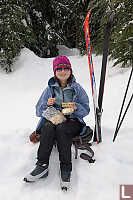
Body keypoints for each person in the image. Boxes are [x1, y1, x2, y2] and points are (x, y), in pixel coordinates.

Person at [24, 56, 90, 189]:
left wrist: (76, 107)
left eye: (66, 68)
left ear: (70, 70)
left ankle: (66, 168)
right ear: (55, 72)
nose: (63, 71)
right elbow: (38, 111)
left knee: (62, 128)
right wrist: (47, 105)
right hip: (55, 118)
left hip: (73, 120)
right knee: (47, 127)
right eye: (59, 69)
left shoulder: (77, 88)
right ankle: (42, 166)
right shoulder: (50, 89)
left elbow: (86, 109)